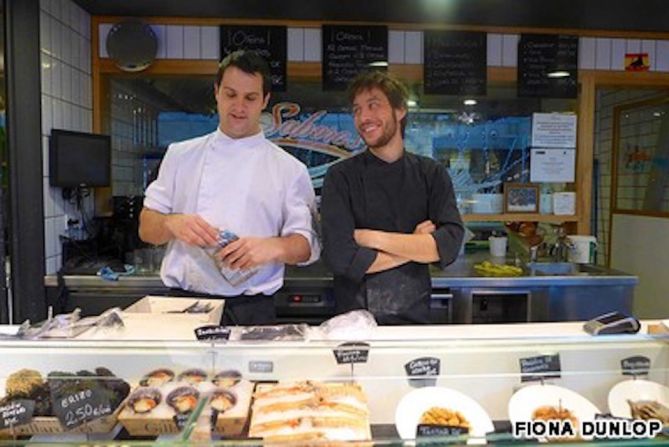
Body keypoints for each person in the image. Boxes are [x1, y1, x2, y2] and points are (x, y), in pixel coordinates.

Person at [138, 50, 320, 325]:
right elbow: (147, 229)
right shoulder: (180, 155)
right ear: (216, 93)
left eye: (250, 98)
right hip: (183, 307)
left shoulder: (290, 169)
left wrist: (272, 247)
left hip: (252, 310)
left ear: (265, 101)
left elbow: (306, 247)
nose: (239, 107)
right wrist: (172, 224)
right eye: (230, 94)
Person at [321, 71, 464, 325]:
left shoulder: (431, 174)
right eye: (356, 110)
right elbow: (341, 258)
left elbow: (449, 245)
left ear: (400, 111)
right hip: (354, 326)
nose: (363, 117)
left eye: (373, 105)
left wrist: (372, 238)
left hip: (414, 322)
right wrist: (417, 246)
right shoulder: (340, 177)